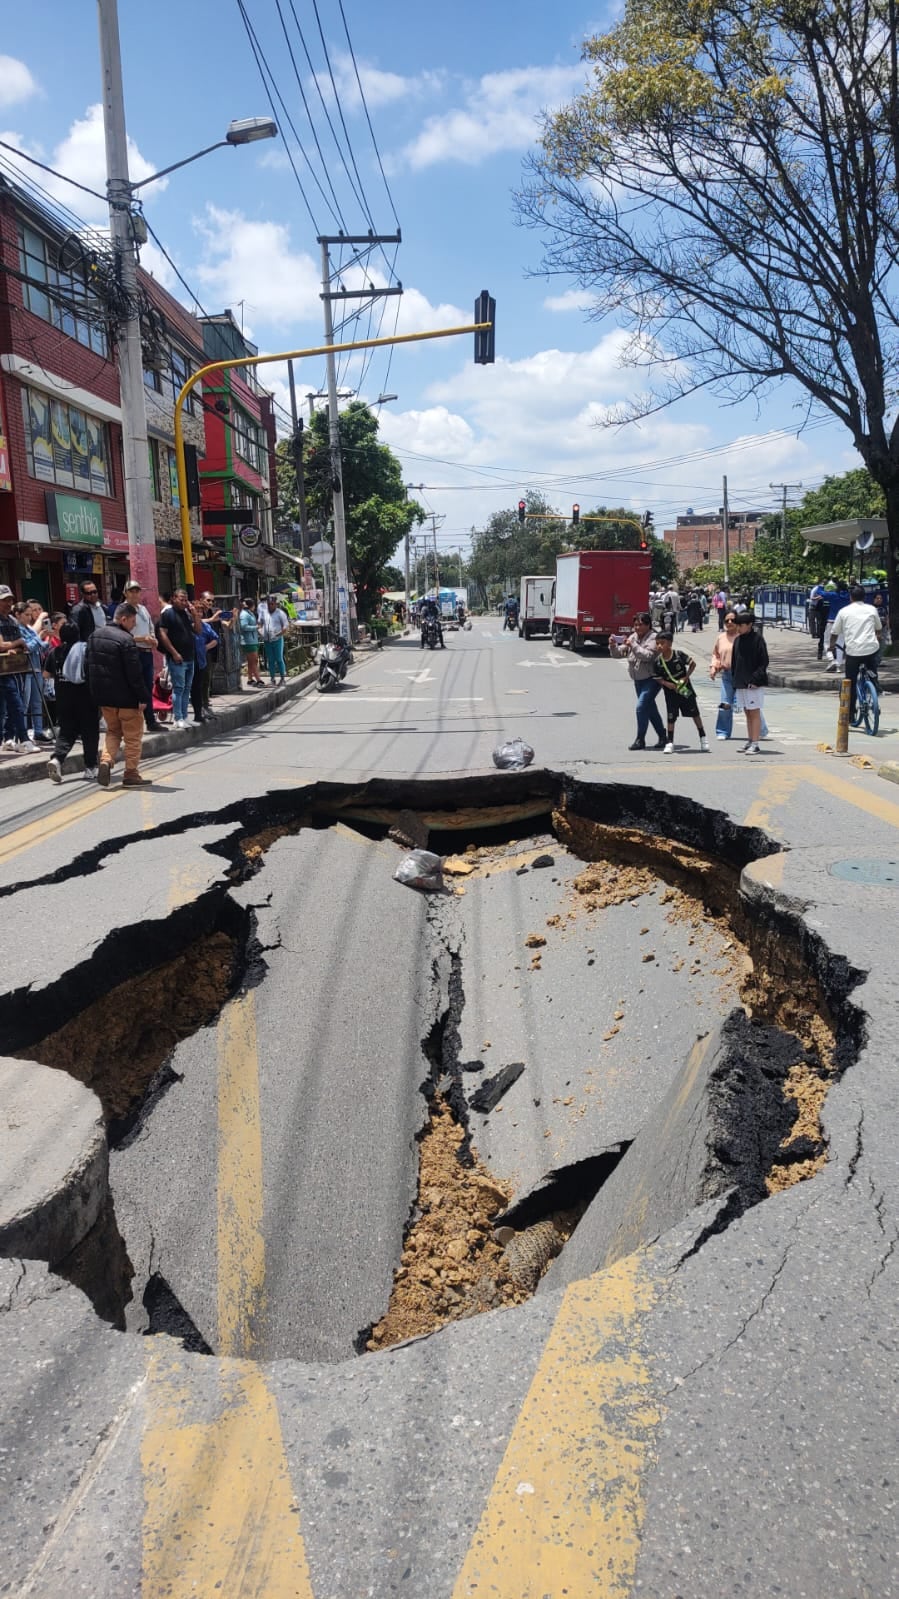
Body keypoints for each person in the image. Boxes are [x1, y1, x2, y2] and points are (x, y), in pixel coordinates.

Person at [85, 601, 151, 787]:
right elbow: (134, 673)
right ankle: (131, 774)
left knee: (113, 731)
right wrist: (143, 696)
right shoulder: (126, 640)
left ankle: (106, 761)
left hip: (104, 697)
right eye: (132, 622)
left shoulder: (94, 636)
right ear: (123, 619)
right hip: (127, 698)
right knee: (133, 737)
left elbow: (87, 667)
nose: (134, 626)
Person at [45, 620, 100, 782]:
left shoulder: (55, 652)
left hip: (63, 698)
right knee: (90, 733)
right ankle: (90, 768)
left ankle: (57, 759)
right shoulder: (85, 650)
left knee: (66, 732)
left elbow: (46, 675)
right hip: (85, 698)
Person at [612, 612, 667, 750]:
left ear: (648, 625)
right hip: (638, 679)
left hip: (652, 679)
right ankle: (663, 736)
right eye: (635, 624)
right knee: (650, 709)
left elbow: (647, 656)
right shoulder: (633, 637)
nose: (637, 627)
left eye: (640, 624)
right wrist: (613, 645)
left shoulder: (654, 638)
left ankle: (640, 739)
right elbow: (619, 653)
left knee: (641, 707)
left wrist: (634, 645)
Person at [828, 583, 882, 721]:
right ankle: (875, 684)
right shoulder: (871, 609)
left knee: (850, 682)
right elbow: (878, 629)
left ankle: (851, 714)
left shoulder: (844, 611)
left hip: (853, 651)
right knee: (872, 670)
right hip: (871, 649)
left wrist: (832, 646)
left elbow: (834, 633)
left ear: (851, 598)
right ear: (864, 597)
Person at [652, 633, 709, 753]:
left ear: (670, 643)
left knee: (695, 713)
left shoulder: (679, 655)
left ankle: (703, 737)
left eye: (662, 643)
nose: (659, 646)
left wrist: (686, 677)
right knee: (671, 717)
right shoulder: (657, 661)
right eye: (657, 643)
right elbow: (657, 678)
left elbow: (693, 664)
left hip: (685, 690)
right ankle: (670, 742)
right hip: (670, 693)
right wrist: (667, 684)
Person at [123, 580, 167, 734]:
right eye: (131, 591)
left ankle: (150, 721)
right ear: (126, 593)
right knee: (134, 688)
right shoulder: (123, 610)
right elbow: (122, 635)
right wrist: (142, 639)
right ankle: (133, 723)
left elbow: (151, 628)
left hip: (147, 653)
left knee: (147, 688)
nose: (135, 594)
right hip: (133, 652)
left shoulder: (142, 609)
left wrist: (153, 639)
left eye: (137, 591)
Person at [12, 600, 52, 745]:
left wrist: (48, 637)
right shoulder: (17, 629)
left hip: (36, 668)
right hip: (25, 670)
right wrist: (38, 638)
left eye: (30, 614)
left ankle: (38, 731)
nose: (29, 617)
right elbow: (27, 647)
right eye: (26, 614)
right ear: (18, 615)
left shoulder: (29, 629)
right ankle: (22, 735)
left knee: (37, 702)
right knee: (24, 703)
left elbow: (41, 647)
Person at [731, 608, 769, 754]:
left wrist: (755, 679)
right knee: (747, 712)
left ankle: (756, 742)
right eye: (738, 625)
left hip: (753, 683)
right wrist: (735, 680)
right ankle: (750, 740)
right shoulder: (738, 640)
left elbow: (763, 661)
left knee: (754, 712)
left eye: (741, 625)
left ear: (749, 625)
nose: (738, 628)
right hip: (741, 682)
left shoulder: (758, 639)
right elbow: (735, 662)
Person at [157, 589, 196, 727]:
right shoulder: (168, 614)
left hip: (189, 657)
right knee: (178, 688)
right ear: (173, 598)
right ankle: (178, 718)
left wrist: (195, 614)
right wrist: (174, 653)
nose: (184, 602)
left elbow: (198, 630)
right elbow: (163, 634)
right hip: (177, 658)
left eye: (186, 600)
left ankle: (185, 716)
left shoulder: (186, 614)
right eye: (181, 599)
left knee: (187, 688)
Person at [0, 585, 29, 753]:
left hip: (13, 668)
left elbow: (22, 646)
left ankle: (9, 737)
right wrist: (15, 644)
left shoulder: (12, 621)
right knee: (13, 704)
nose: (8, 603)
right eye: (4, 600)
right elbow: (2, 645)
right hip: (3, 670)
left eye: (10, 600)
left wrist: (14, 647)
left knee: (14, 704)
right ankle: (23, 738)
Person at [709, 611, 739, 739]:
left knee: (750, 706)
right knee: (724, 704)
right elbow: (715, 654)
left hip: (742, 675)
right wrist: (714, 667)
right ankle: (723, 732)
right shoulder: (721, 637)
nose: (730, 623)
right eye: (727, 621)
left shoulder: (743, 637)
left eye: (732, 620)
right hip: (727, 675)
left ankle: (760, 728)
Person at [190, 605, 219, 722]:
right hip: (189, 659)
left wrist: (206, 647)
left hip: (203, 657)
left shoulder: (206, 626)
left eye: (201, 611)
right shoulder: (187, 625)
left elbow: (215, 639)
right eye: (197, 611)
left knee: (205, 682)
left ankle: (205, 705)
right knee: (191, 685)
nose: (199, 613)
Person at [260, 594, 289, 683]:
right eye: (269, 604)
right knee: (270, 660)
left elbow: (285, 627)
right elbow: (259, 623)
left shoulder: (280, 613)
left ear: (275, 604)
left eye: (272, 604)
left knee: (279, 659)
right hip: (267, 640)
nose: (270, 605)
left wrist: (279, 633)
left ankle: (282, 678)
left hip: (277, 640)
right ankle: (272, 678)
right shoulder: (264, 613)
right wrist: (260, 631)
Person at [238, 597, 264, 686]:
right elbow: (244, 627)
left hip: (253, 639)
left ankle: (250, 678)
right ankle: (258, 679)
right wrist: (256, 627)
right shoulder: (244, 615)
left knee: (252, 661)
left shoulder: (250, 613)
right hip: (248, 640)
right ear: (251, 605)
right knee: (253, 661)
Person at [808, 579, 828, 661]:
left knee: (824, 637)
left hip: (827, 619)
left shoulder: (827, 594)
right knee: (823, 636)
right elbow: (812, 598)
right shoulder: (817, 590)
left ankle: (824, 653)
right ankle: (821, 653)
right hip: (816, 609)